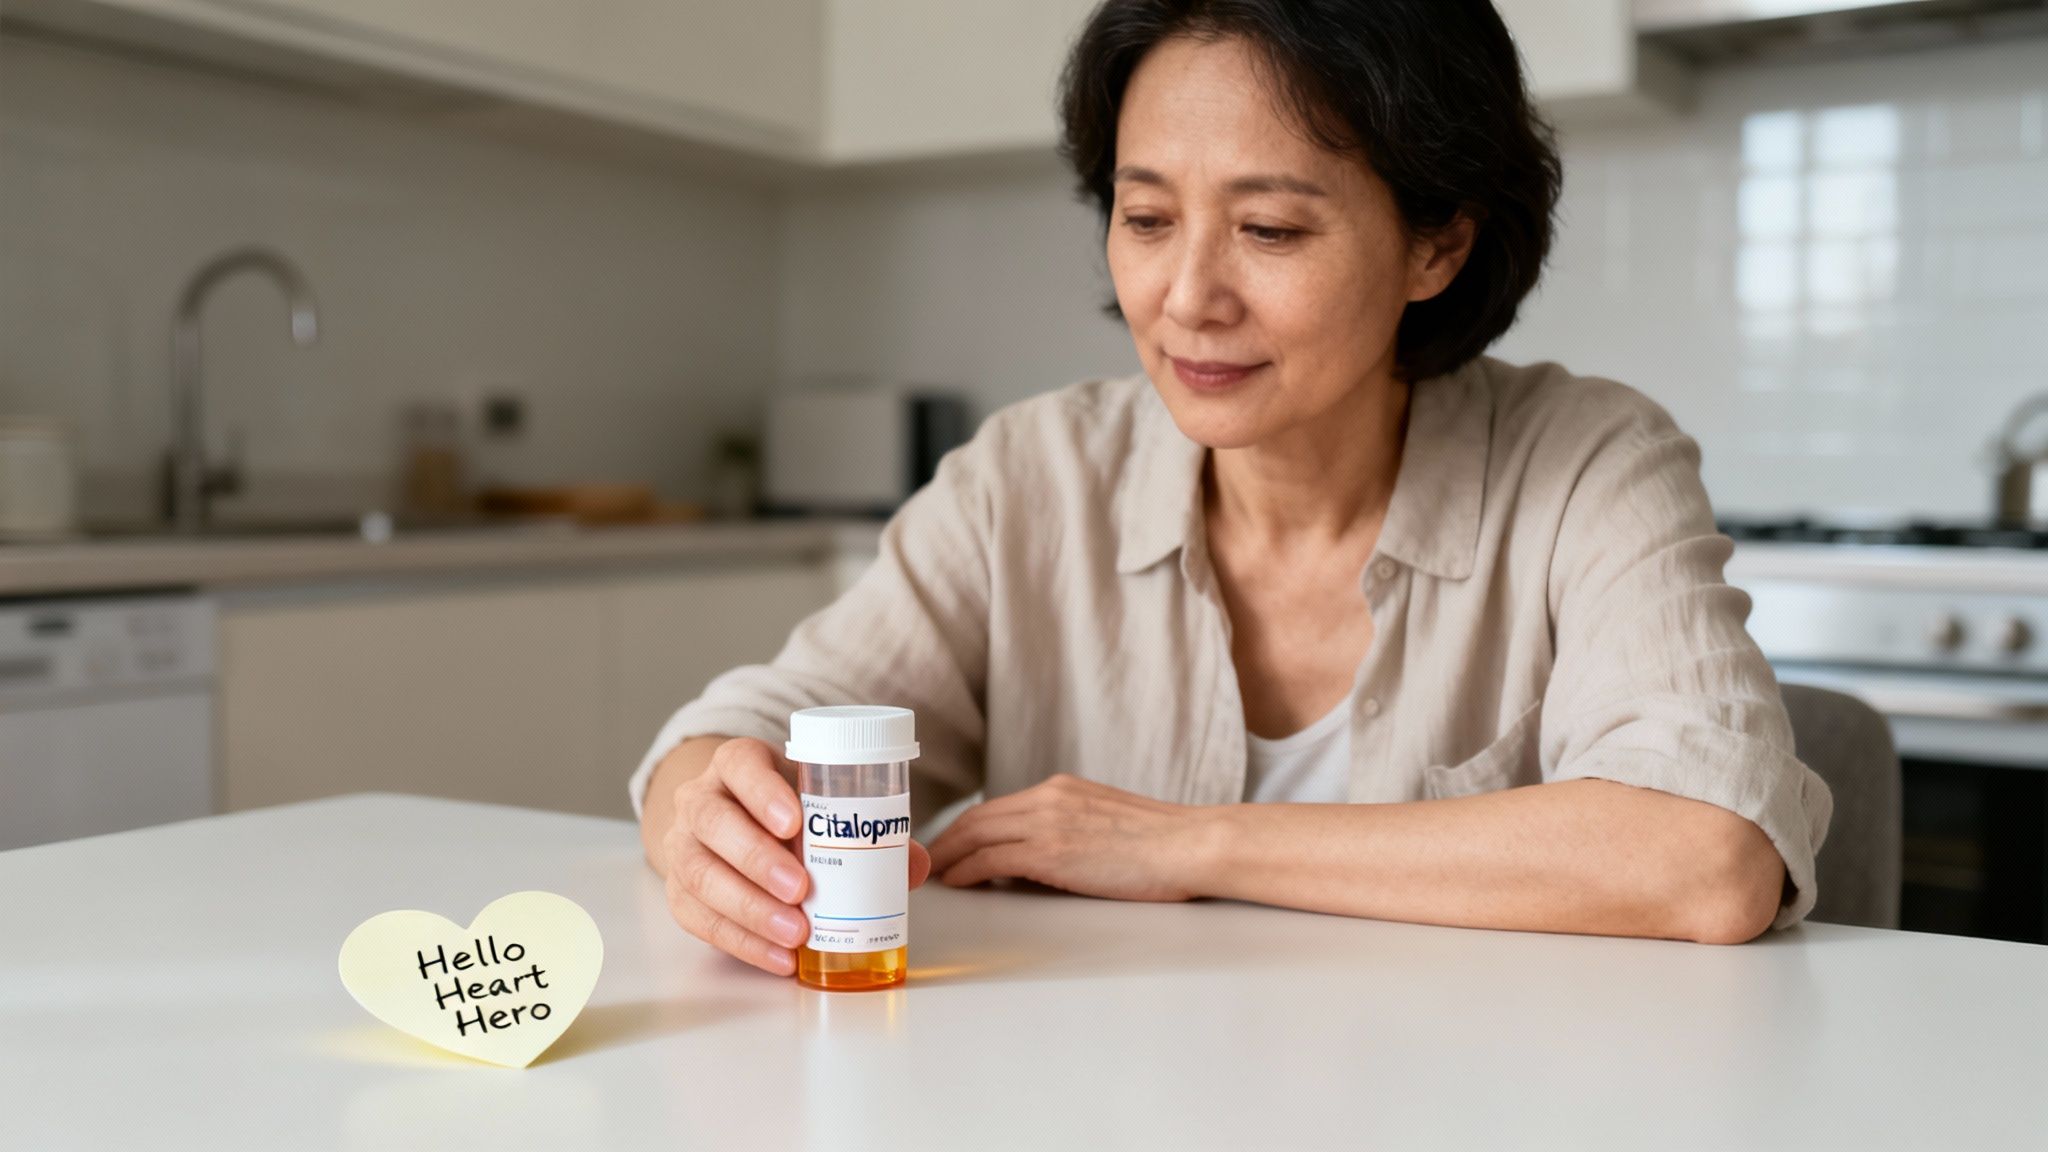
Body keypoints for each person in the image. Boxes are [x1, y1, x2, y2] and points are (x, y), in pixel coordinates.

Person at [632, 0, 1833, 977]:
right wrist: (710, 808)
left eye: (1266, 229)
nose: (1186, 295)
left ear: (1437, 245)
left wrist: (1188, 844)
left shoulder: (1585, 461)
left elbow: (1704, 857)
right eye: (1145, 216)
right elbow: (762, 722)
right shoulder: (1031, 474)